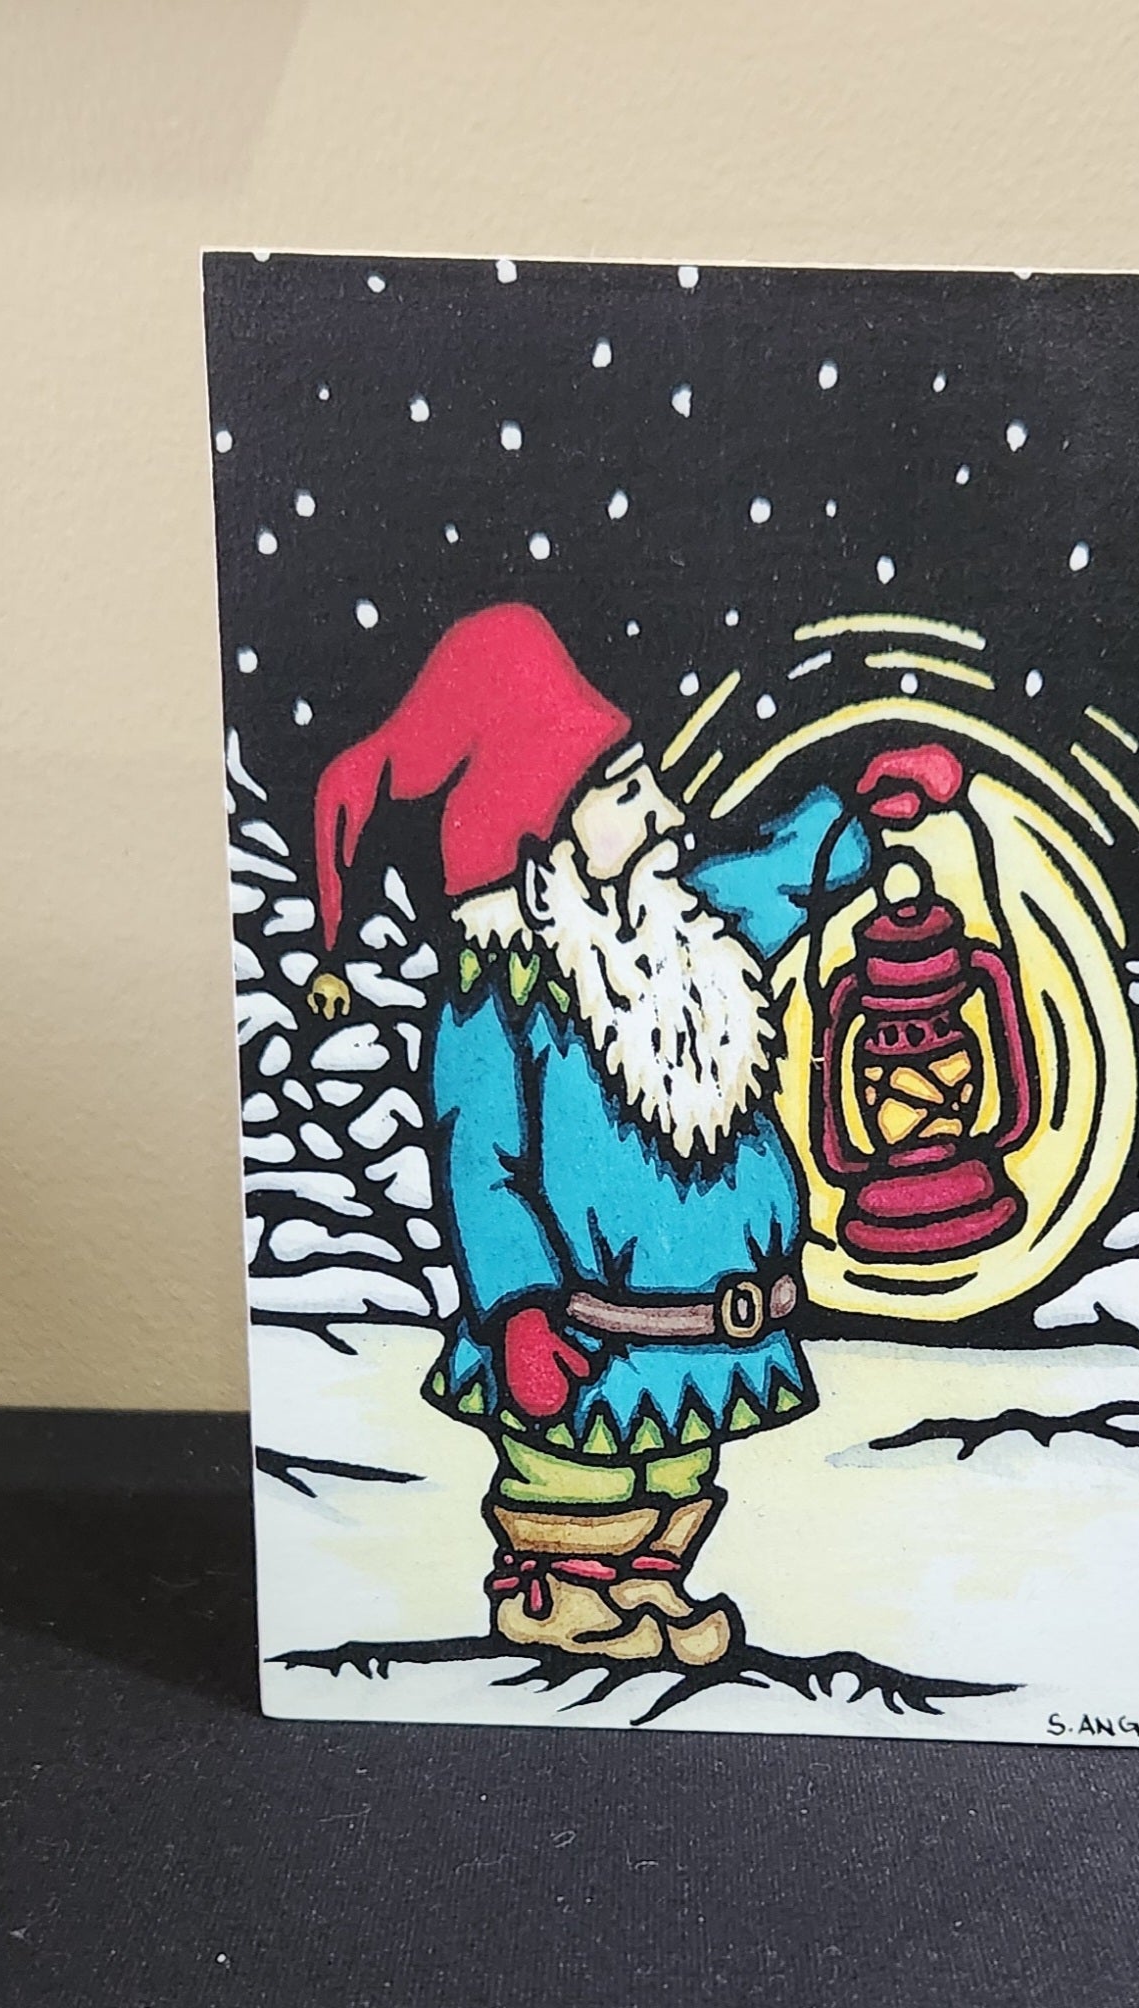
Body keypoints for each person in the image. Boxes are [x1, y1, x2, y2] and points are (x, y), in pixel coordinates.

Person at [307, 601, 958, 1667]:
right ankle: (558, 1588)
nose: (663, 811)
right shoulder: (499, 996)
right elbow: (482, 1165)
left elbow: (781, 873)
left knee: (677, 1466)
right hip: (582, 1336)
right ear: (542, 841)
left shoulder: (685, 920)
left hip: (702, 1326)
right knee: (577, 1469)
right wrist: (519, 1310)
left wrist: (860, 809)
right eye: (623, 791)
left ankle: (651, 1585)